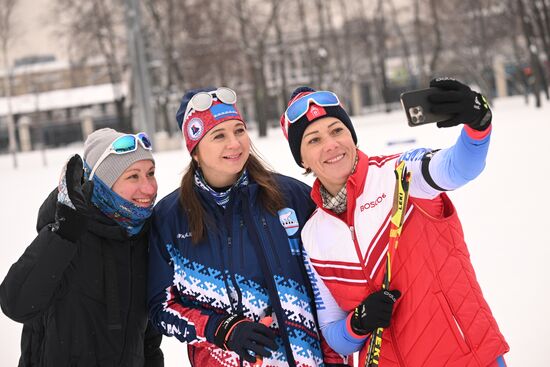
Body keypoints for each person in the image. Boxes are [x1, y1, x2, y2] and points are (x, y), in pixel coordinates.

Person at [279, 78, 509, 367]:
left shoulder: (401, 173)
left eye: (337, 130)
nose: (331, 144)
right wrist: (358, 324)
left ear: (352, 136)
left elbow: (459, 167)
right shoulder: (313, 235)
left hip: (465, 358)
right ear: (302, 160)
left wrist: (478, 124)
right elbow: (333, 333)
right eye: (314, 139)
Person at [147, 87, 348, 366]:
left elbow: (337, 277)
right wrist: (221, 329)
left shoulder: (291, 197)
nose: (235, 143)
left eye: (239, 131)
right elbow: (160, 308)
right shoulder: (170, 218)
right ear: (195, 151)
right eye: (219, 136)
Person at [0, 128, 164, 367]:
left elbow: (148, 339)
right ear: (103, 184)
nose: (149, 188)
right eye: (133, 176)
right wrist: (63, 234)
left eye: (150, 173)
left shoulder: (143, 236)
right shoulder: (68, 231)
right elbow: (16, 304)